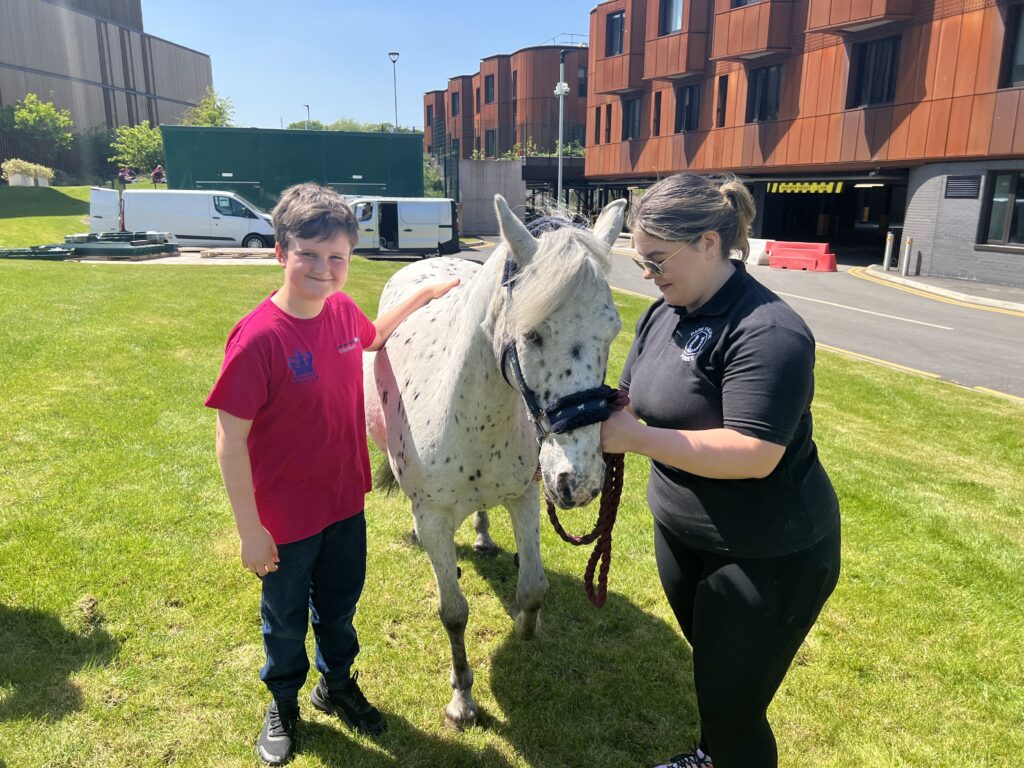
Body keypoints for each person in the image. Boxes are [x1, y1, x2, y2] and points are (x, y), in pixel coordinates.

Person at [205, 183, 458, 766]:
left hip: (345, 503)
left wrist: (426, 292)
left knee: (340, 610)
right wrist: (250, 530)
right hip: (286, 521)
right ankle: (285, 701)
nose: (324, 269)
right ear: (280, 252)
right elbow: (230, 440)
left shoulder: (342, 310)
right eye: (309, 255)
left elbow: (373, 335)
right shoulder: (257, 339)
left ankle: (336, 685)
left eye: (337, 258)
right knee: (286, 620)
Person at [600, 173, 841, 768]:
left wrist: (635, 438)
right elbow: (629, 398)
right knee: (713, 677)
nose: (649, 276)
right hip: (684, 533)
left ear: (709, 243)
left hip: (766, 553)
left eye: (657, 261)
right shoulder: (663, 314)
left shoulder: (769, 330)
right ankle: (711, 757)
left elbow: (756, 453)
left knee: (735, 711)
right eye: (641, 263)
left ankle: (724, 753)